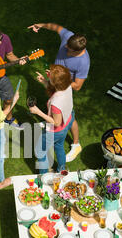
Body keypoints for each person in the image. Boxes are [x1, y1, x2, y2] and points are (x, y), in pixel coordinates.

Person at [28, 22, 90, 162]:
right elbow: (56, 28)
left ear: (77, 51)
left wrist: (59, 80)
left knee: (69, 116)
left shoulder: (83, 62)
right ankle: (52, 120)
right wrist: (40, 25)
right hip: (56, 81)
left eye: (68, 50)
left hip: (63, 87)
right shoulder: (69, 37)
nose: (65, 49)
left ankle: (76, 144)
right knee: (53, 106)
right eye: (66, 45)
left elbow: (78, 86)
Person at [29, 64, 75, 174]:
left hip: (55, 131)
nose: (49, 72)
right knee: (59, 146)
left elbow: (56, 122)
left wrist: (38, 112)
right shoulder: (67, 85)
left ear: (55, 83)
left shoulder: (56, 104)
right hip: (68, 121)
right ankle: (62, 169)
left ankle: (45, 175)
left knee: (40, 151)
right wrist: (46, 81)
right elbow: (57, 90)